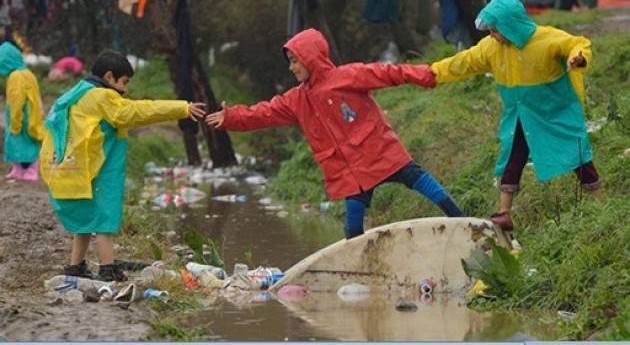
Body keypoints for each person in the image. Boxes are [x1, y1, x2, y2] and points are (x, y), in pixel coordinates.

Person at [206, 28, 464, 240]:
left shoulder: (348, 76)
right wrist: (231, 117)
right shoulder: (296, 99)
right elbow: (264, 113)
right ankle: (358, 265)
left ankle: (463, 222)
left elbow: (388, 73)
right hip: (354, 173)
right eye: (290, 62)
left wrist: (427, 74)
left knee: (420, 180)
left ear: (310, 57)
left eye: (295, 61)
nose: (292, 68)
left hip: (380, 151)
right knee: (353, 227)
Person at [430, 0, 601, 231]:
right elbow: (465, 61)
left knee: (577, 156)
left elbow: (576, 44)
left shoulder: (547, 39)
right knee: (512, 158)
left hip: (556, 110)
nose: (492, 35)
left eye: (495, 29)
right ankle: (504, 213)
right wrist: (433, 73)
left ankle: (599, 204)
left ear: (510, 25)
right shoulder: (491, 47)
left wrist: (578, 59)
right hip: (522, 115)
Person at [40, 50, 205, 281]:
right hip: (98, 172)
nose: (125, 90)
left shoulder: (75, 94)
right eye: (124, 82)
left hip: (72, 171)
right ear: (109, 77)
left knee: (84, 223)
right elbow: (136, 111)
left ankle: (75, 267)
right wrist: (181, 108)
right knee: (104, 221)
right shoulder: (102, 97)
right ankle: (108, 268)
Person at [0, 41, 45, 181]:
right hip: (30, 114)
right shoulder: (26, 73)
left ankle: (31, 169)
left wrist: (15, 121)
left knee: (20, 142)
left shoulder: (16, 76)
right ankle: (18, 169)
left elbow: (16, 100)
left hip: (21, 115)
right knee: (23, 142)